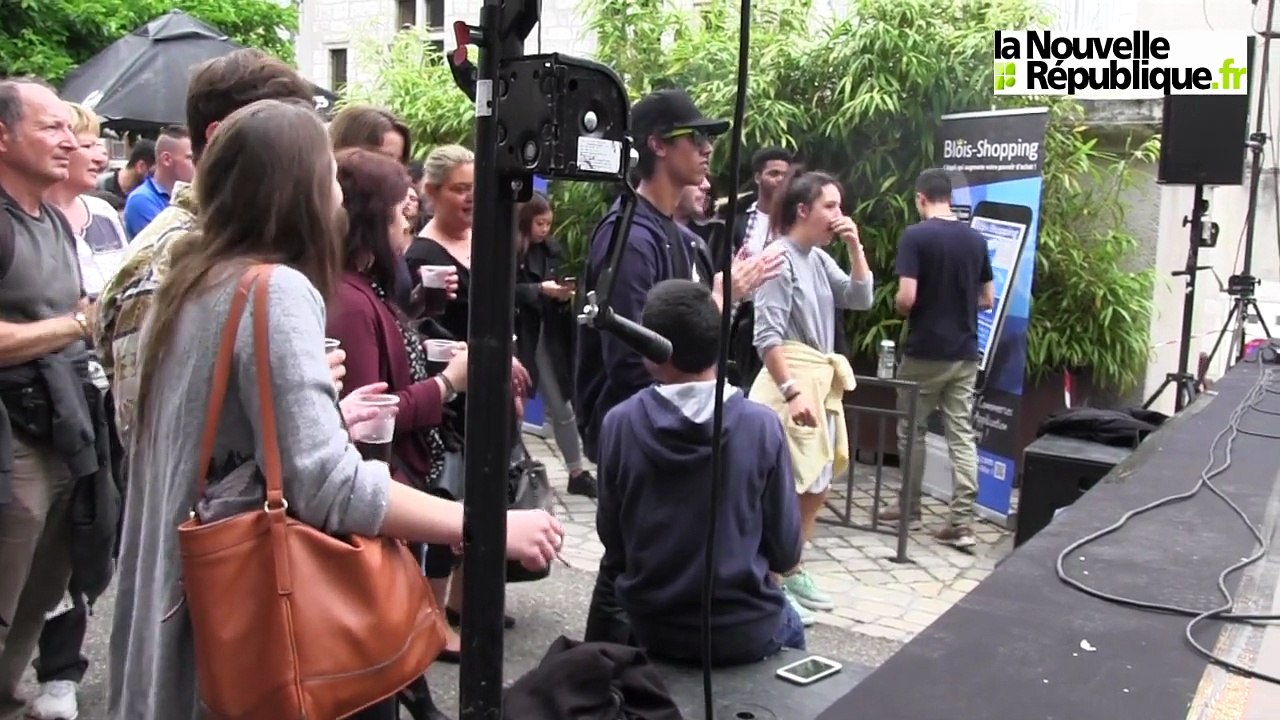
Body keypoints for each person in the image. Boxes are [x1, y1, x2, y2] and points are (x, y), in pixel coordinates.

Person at [106, 98, 564, 720]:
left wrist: (323, 417)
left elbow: (203, 440)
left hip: (175, 612)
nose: (341, 199)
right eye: (329, 177)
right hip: (245, 627)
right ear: (298, 191)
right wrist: (489, 525)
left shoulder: (191, 275)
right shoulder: (279, 289)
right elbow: (331, 487)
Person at [94, 48, 319, 449]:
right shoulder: (167, 263)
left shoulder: (235, 246)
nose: (303, 165)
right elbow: (154, 442)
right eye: (289, 140)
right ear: (219, 138)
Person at [594, 278, 805, 665]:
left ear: (650, 349)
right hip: (745, 628)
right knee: (794, 625)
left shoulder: (619, 424)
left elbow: (614, 540)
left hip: (651, 626)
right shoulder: (761, 425)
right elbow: (786, 551)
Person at [0, 78, 120, 720]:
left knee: (48, 584)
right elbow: (72, 319)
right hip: (12, 441)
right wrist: (75, 325)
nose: (71, 140)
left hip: (67, 430)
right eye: (51, 127)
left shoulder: (51, 217)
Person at [27, 102, 128, 720]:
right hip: (37, 400)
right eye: (78, 138)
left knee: (85, 530)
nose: (91, 151)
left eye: (88, 139)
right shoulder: (20, 222)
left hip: (95, 395)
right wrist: (76, 322)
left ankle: (60, 670)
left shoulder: (103, 217)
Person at [751, 169, 875, 625]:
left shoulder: (818, 259)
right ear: (802, 210)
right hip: (792, 385)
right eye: (830, 206)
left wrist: (855, 247)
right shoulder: (779, 259)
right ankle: (772, 579)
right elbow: (766, 336)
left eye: (839, 207)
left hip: (819, 384)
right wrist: (791, 390)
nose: (838, 216)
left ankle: (792, 566)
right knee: (788, 486)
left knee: (818, 483)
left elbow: (859, 297)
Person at [884, 169, 993, 549]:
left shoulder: (915, 236)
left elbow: (907, 297)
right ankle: (962, 521)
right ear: (949, 197)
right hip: (965, 351)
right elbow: (987, 298)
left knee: (911, 429)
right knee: (960, 433)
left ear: (920, 198)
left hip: (925, 350)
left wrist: (900, 307)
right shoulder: (976, 239)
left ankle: (910, 508)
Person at [514, 192, 593, 495]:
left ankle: (576, 471)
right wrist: (538, 290)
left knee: (563, 406)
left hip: (549, 335)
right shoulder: (510, 250)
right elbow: (504, 289)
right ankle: (514, 466)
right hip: (522, 335)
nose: (544, 229)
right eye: (539, 223)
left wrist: (561, 295)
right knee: (516, 406)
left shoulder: (550, 251)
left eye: (548, 223)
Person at [122, 125, 193, 238]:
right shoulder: (142, 200)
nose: (198, 163)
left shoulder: (189, 196)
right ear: (166, 159)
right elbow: (166, 248)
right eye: (191, 158)